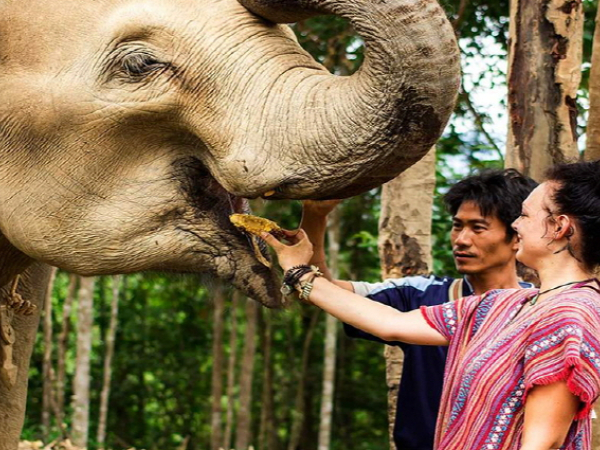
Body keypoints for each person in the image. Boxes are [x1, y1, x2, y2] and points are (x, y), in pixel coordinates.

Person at [263, 160, 600, 450]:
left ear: (560, 227)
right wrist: (298, 271)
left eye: (525, 215)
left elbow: (543, 442)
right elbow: (391, 323)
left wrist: (300, 273)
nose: (516, 224)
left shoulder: (571, 315)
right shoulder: (504, 305)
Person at [298, 169, 538, 450]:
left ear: (516, 238)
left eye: (478, 228)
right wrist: (315, 216)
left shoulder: (540, 307)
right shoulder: (422, 294)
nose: (461, 239)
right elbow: (326, 291)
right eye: (457, 225)